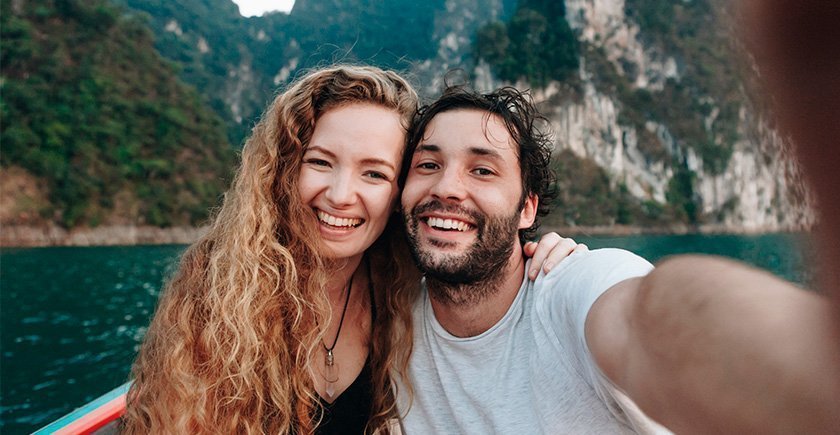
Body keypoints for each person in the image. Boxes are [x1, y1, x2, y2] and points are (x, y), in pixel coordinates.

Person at [122, 65, 578, 434]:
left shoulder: (400, 295)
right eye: (320, 162)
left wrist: (542, 255)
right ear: (281, 172)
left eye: (375, 173)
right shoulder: (218, 295)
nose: (341, 194)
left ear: (401, 191)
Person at [396, 82, 840, 434]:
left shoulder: (572, 289)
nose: (446, 188)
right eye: (428, 165)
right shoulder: (386, 324)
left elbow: (655, 318)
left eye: (482, 170)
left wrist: (836, 377)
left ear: (527, 208)